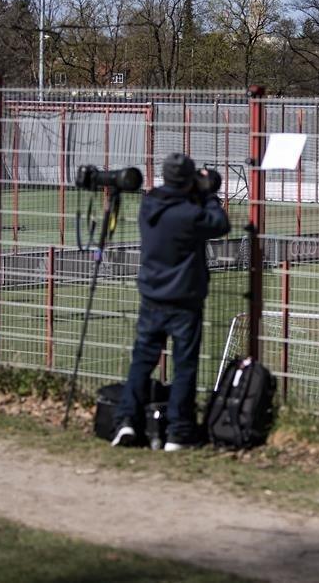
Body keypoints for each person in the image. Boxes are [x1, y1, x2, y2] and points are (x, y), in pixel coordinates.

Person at [112, 153, 229, 450]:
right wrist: (208, 194)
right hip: (184, 300)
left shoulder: (149, 204)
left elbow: (171, 198)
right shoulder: (190, 213)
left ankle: (126, 421)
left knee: (142, 361)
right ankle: (178, 432)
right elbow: (220, 224)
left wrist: (193, 191)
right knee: (184, 366)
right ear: (189, 179)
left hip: (151, 296)